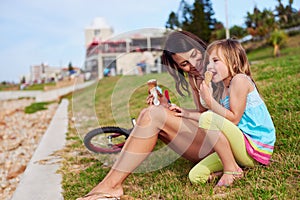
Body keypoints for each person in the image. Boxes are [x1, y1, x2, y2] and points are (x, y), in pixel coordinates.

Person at [77, 31, 216, 200]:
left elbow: (231, 116)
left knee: (153, 115)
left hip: (227, 144)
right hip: (211, 137)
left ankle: (110, 186)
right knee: (150, 113)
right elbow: (203, 113)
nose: (193, 65)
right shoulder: (196, 78)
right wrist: (169, 108)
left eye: (195, 55)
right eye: (185, 64)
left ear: (200, 46)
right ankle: (110, 184)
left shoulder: (220, 68)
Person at [171, 38, 276, 187]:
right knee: (195, 176)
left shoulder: (240, 80)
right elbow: (216, 118)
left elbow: (233, 120)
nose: (209, 67)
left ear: (233, 62)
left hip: (255, 146)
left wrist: (210, 102)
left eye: (215, 61)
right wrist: (185, 113)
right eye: (209, 62)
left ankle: (231, 170)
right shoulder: (223, 90)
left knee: (208, 117)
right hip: (239, 147)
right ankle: (236, 168)